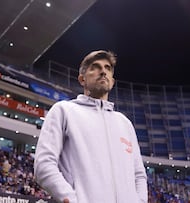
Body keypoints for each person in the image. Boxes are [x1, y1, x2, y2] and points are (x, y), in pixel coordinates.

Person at [34, 50, 147, 203]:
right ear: (82, 79)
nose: (103, 71)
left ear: (112, 81)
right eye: (95, 67)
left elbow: (139, 174)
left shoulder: (124, 123)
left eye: (108, 68)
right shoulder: (64, 111)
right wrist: (73, 200)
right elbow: (44, 165)